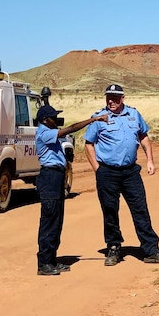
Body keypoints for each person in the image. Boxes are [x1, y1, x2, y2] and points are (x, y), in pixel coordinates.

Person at [84, 84, 159, 266]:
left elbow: (144, 137)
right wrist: (97, 169)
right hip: (107, 172)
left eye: (115, 97)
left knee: (140, 209)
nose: (111, 101)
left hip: (131, 172)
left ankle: (151, 250)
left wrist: (150, 160)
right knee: (110, 211)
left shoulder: (134, 115)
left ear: (122, 98)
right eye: (108, 97)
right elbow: (88, 144)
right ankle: (114, 248)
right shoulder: (99, 118)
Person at [35, 104, 107, 276]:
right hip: (50, 177)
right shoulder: (44, 132)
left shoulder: (49, 131)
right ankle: (44, 263)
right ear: (45, 120)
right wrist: (94, 119)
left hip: (57, 177)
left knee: (57, 220)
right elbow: (70, 129)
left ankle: (52, 260)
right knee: (49, 220)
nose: (57, 120)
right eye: (54, 117)